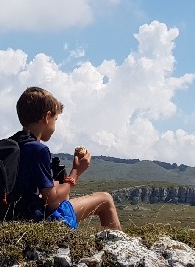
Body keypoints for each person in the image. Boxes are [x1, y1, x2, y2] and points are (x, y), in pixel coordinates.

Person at [12, 86, 120, 230]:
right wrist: (76, 172)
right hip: (36, 220)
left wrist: (59, 182)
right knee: (105, 199)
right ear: (47, 117)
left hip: (14, 215)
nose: (54, 126)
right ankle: (119, 250)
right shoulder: (39, 150)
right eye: (55, 120)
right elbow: (52, 202)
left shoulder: (14, 145)